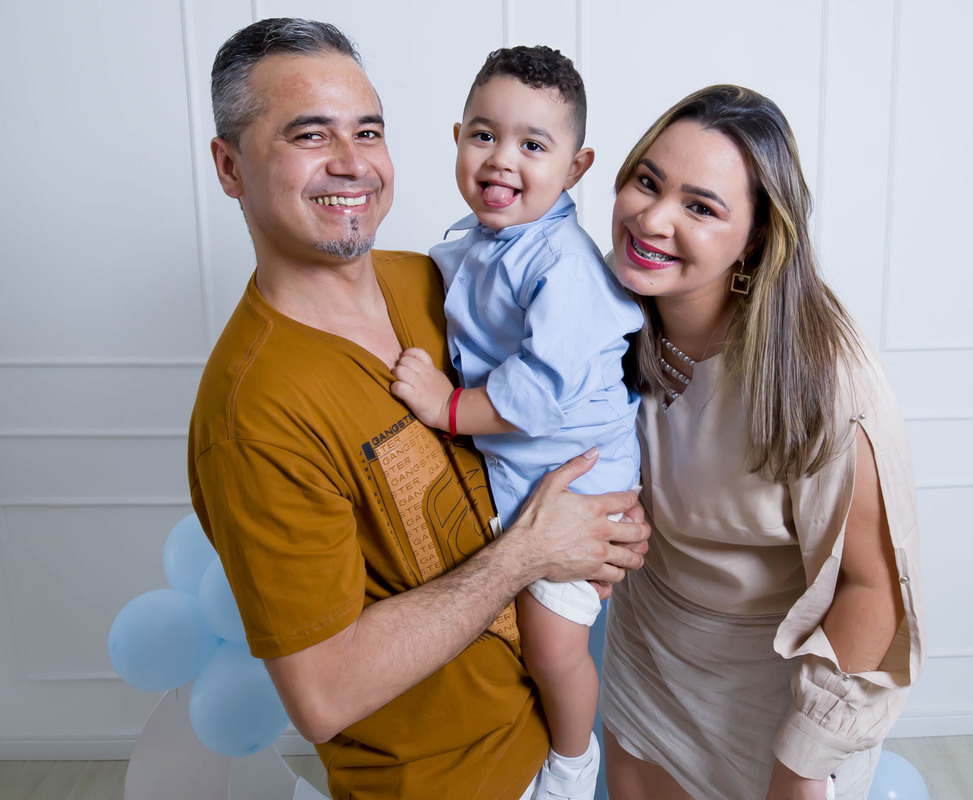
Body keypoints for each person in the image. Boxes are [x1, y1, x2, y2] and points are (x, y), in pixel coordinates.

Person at [187, 18, 648, 800]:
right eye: (310, 134)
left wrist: (616, 515)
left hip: (549, 737)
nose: (352, 161)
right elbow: (324, 695)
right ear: (230, 167)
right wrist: (531, 550)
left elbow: (582, 376)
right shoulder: (253, 416)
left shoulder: (440, 282)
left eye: (367, 130)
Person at [598, 85, 926, 800]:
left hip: (769, 689)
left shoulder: (826, 374)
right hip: (645, 656)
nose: (652, 219)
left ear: (754, 237)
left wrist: (803, 763)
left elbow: (871, 588)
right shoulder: (597, 312)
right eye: (647, 182)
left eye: (700, 206)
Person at [389, 45, 642, 800]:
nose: (502, 158)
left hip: (584, 483)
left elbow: (535, 393)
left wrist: (445, 406)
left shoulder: (563, 264)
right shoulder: (480, 242)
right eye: (484, 135)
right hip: (525, 472)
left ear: (575, 167)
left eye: (533, 145)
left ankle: (573, 763)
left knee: (552, 645)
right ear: (457, 138)